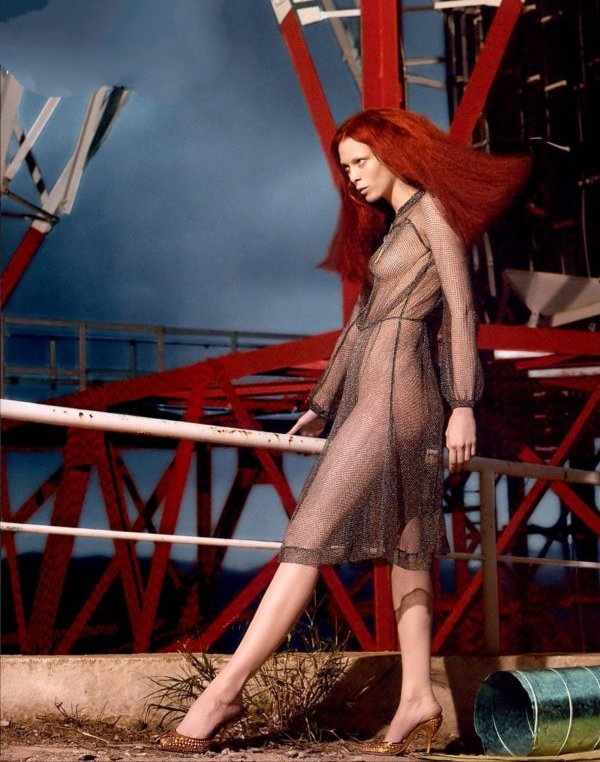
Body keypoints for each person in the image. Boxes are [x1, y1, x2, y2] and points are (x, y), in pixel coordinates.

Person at [158, 108, 529, 756]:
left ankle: (223, 693)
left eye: (361, 161)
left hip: (399, 399)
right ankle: (417, 697)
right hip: (374, 398)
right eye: (345, 166)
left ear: (394, 153)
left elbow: (461, 308)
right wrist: (322, 405)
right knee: (408, 548)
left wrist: (464, 404)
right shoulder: (392, 231)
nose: (352, 176)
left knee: (307, 536)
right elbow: (359, 328)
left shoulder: (433, 214)